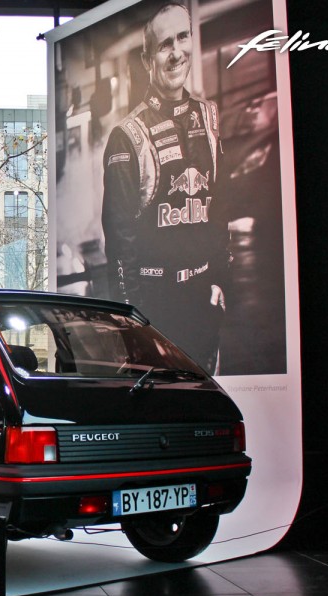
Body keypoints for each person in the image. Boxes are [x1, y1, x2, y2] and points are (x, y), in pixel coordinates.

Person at [101, 2, 228, 374]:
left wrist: (220, 278)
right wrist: (132, 320)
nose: (176, 53)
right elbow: (120, 243)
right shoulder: (126, 136)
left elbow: (220, 205)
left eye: (182, 37)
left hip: (203, 298)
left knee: (207, 403)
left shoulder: (209, 118)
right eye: (164, 44)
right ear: (147, 59)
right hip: (156, 307)